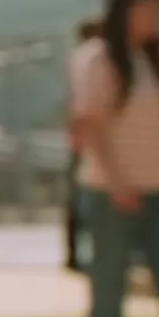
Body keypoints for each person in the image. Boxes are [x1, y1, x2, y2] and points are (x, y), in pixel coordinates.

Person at [68, 0, 159, 317]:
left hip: (158, 186)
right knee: (109, 285)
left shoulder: (151, 61)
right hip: (111, 191)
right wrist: (117, 184)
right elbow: (91, 123)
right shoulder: (101, 59)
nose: (151, 20)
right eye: (144, 12)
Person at [65, 17, 103, 271]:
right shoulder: (93, 59)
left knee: (77, 201)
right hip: (91, 142)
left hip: (83, 141)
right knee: (86, 200)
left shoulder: (79, 58)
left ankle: (75, 255)